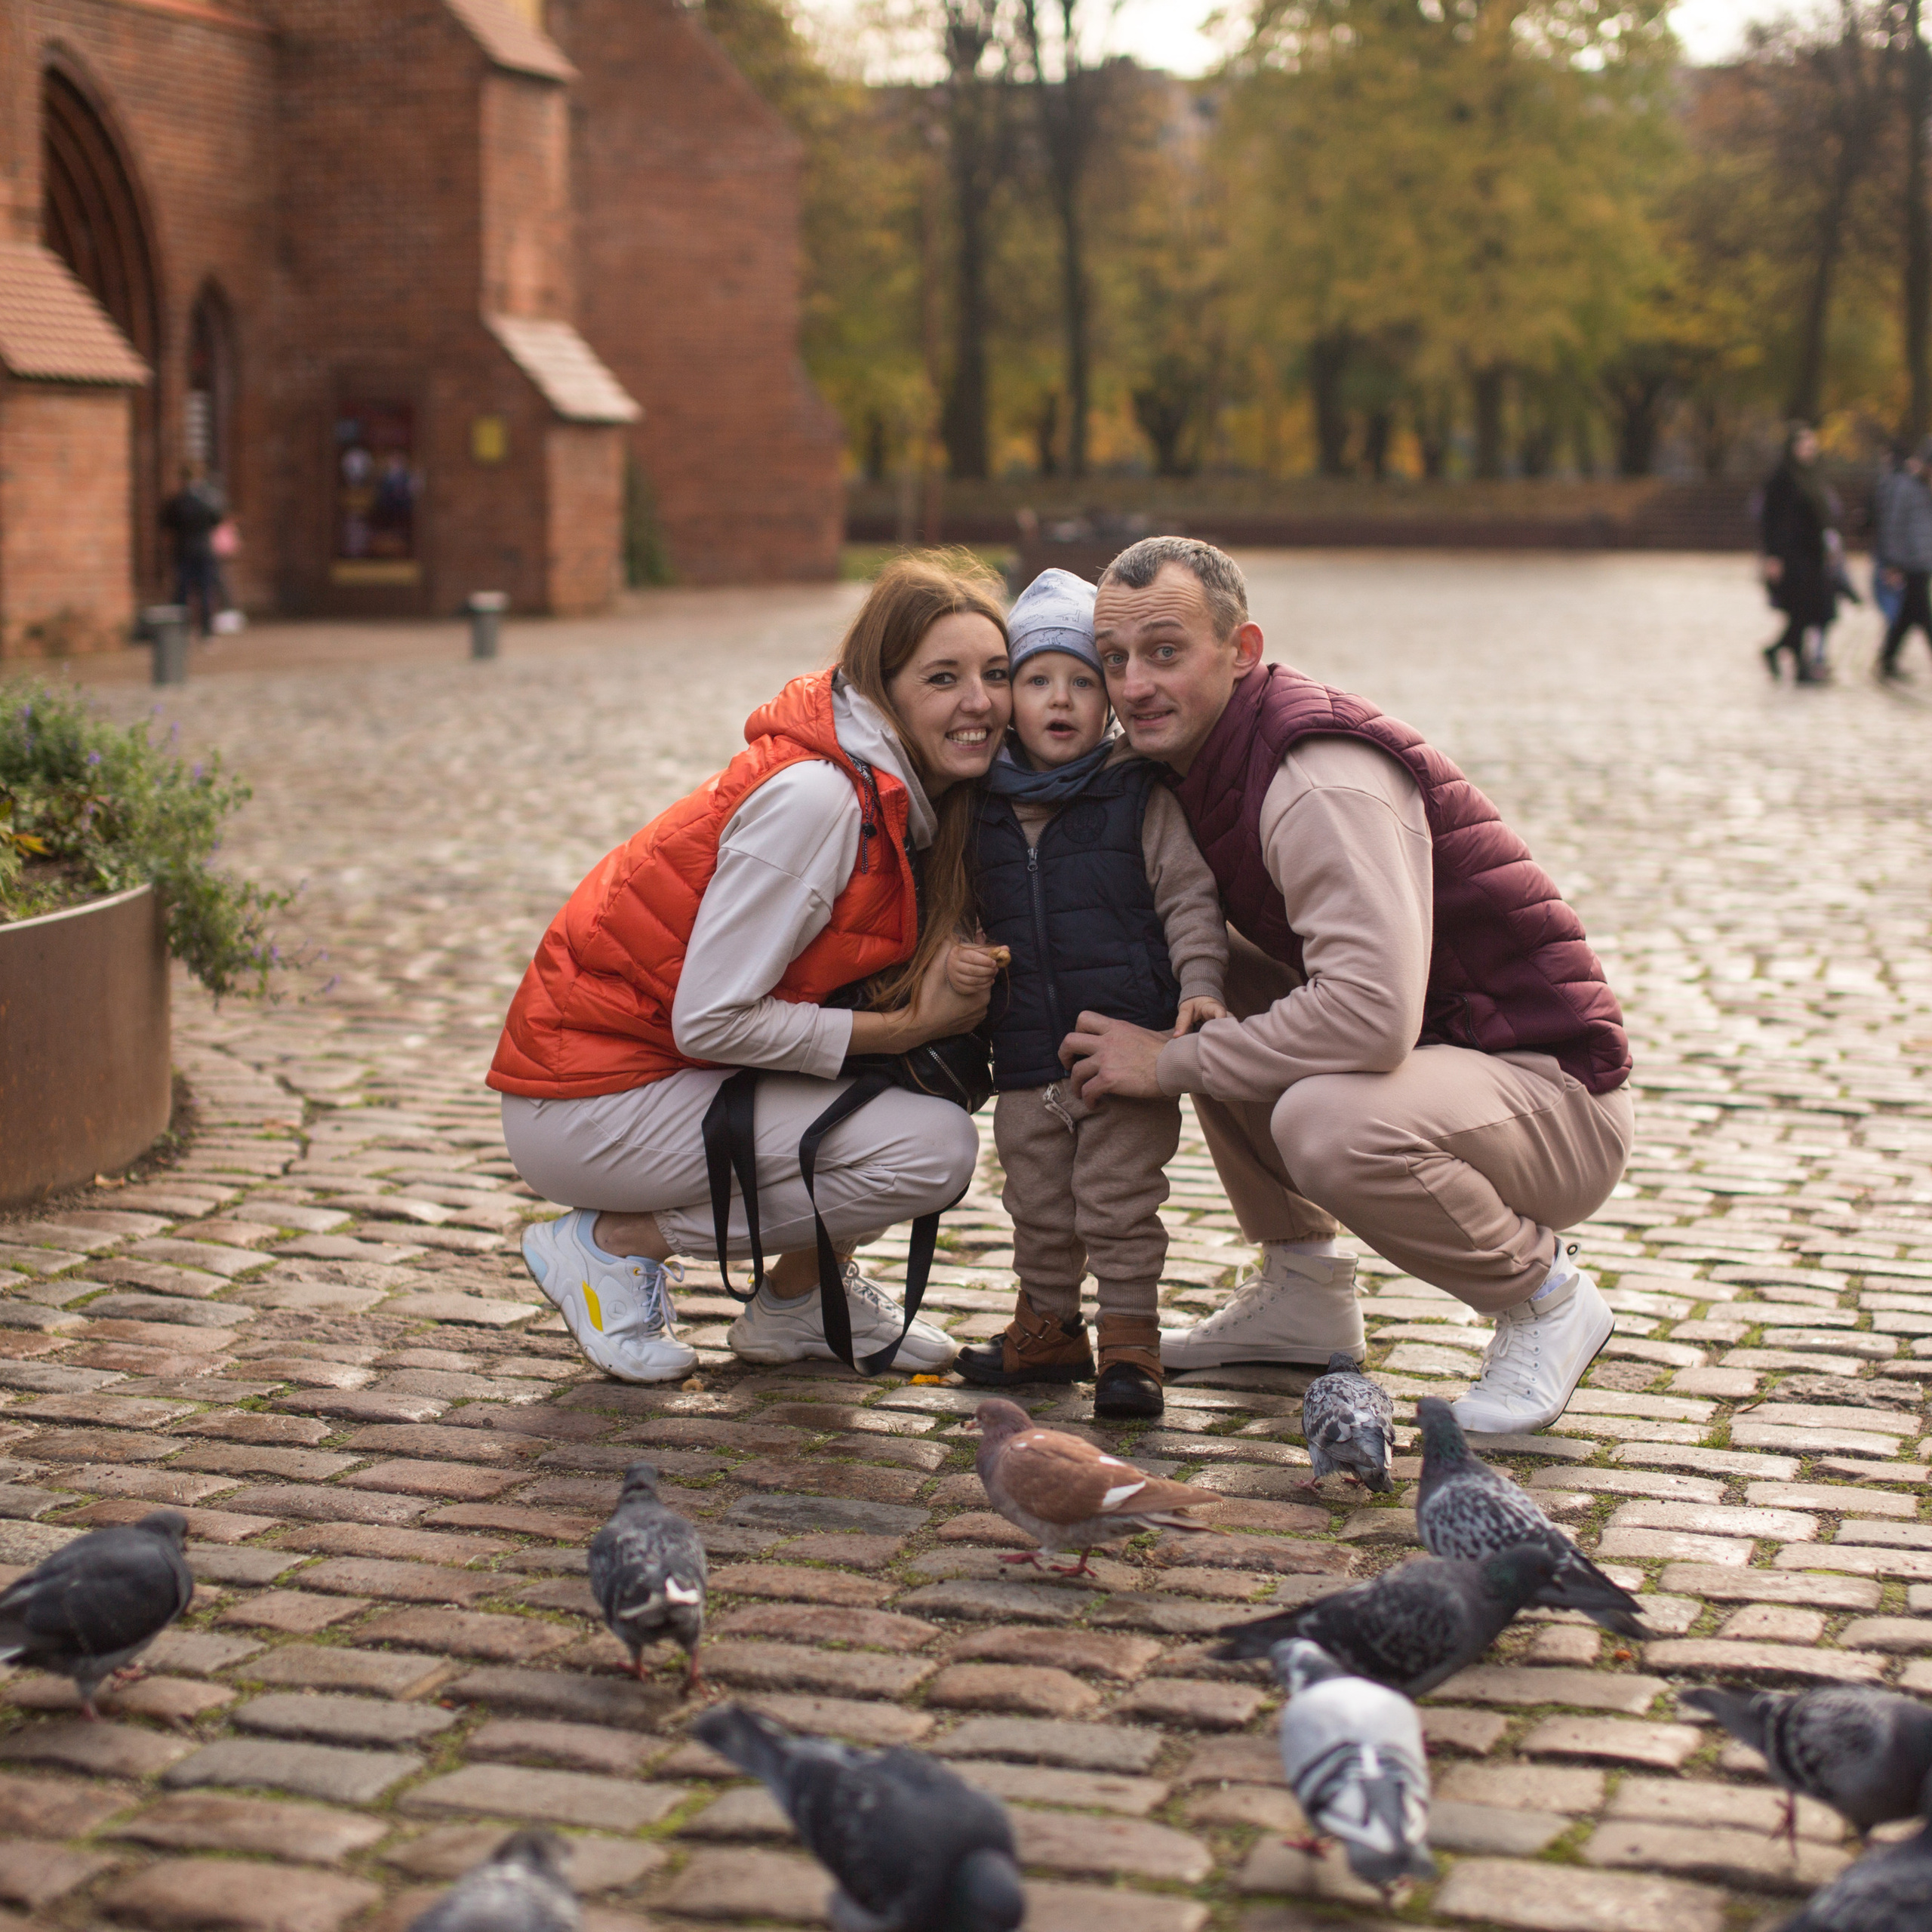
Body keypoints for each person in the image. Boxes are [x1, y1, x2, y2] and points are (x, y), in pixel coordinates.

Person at [1061, 537, 1635, 1436]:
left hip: (1555, 1099)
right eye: (1115, 659)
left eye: (1165, 652)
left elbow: (1370, 1020)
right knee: (1199, 980)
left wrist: (1173, 1062)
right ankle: (1304, 1290)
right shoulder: (1198, 761)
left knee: (1320, 1120)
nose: (1132, 685)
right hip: (1451, 1063)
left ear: (1241, 651)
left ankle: (1545, 1297)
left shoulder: (1313, 778)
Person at [487, 555, 1012, 1383]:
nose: (978, 701)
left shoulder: (902, 794)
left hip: (668, 1076)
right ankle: (608, 1245)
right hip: (589, 1097)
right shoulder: (822, 800)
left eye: (995, 673)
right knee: (927, 1151)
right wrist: (911, 1025)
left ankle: (800, 1298)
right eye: (942, 677)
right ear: (881, 690)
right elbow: (712, 1018)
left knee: (907, 1096)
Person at [951, 570, 1227, 1421]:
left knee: (1118, 1203)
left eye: (1081, 681)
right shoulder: (981, 805)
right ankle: (1047, 1327)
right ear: (1010, 699)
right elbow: (953, 908)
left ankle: (1130, 1343)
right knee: (1034, 1200)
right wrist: (956, 956)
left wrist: (1201, 988)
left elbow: (1188, 898)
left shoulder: (1133, 794)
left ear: (1109, 701)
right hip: (1026, 1051)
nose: (1059, 701)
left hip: (1124, 1047)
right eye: (1037, 681)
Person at [1758, 425, 1843, 685]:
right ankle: (1799, 665)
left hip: (1813, 552)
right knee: (1802, 610)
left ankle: (1780, 654)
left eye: (1812, 446)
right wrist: (1773, 556)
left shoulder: (1813, 475)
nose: (1810, 451)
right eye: (1805, 446)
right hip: (1792, 555)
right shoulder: (1782, 478)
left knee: (1811, 610)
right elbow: (1770, 519)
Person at [1875, 438, 1932, 681]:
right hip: (1910, 561)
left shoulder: (1923, 487)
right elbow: (1893, 525)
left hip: (1922, 559)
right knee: (1921, 613)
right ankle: (1887, 658)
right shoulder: (1905, 487)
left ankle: (1887, 658)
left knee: (1910, 613)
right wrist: (1892, 562)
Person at [158, 464, 226, 638]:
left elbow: (167, 525)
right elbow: (217, 519)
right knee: (205, 590)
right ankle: (206, 631)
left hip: (183, 550)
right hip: (204, 549)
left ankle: (180, 632)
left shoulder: (177, 501)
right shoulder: (207, 499)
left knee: (182, 592)